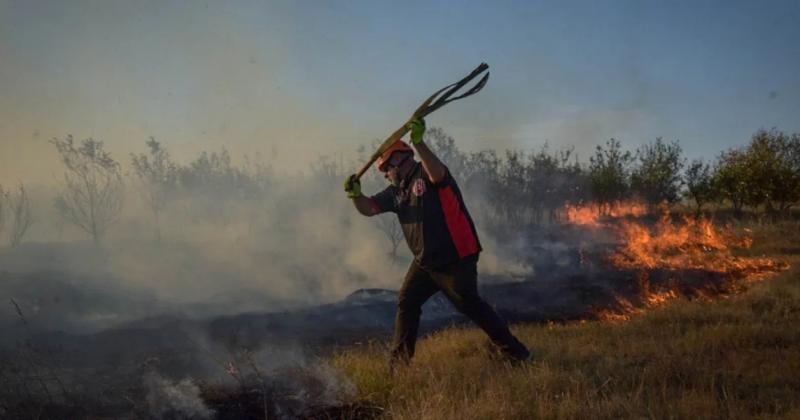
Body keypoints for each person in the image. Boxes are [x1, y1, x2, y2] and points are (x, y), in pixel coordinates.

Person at [343, 118, 531, 366]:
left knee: (469, 304)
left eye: (387, 169)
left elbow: (438, 173)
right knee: (407, 303)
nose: (386, 175)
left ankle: (516, 353)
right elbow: (368, 208)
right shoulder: (395, 192)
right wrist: (356, 196)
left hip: (456, 256)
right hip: (425, 262)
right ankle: (399, 365)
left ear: (399, 160)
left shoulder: (427, 172)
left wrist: (419, 142)